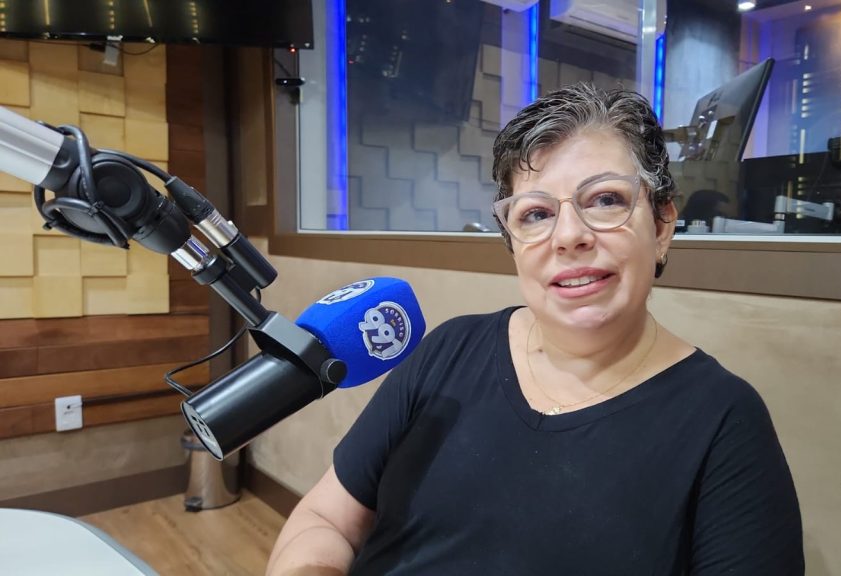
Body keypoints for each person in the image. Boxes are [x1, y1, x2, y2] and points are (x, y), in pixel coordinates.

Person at [266, 83, 803, 576]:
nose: (568, 236)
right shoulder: (449, 351)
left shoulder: (723, 419)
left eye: (606, 200)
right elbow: (325, 519)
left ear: (662, 226)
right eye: (536, 213)